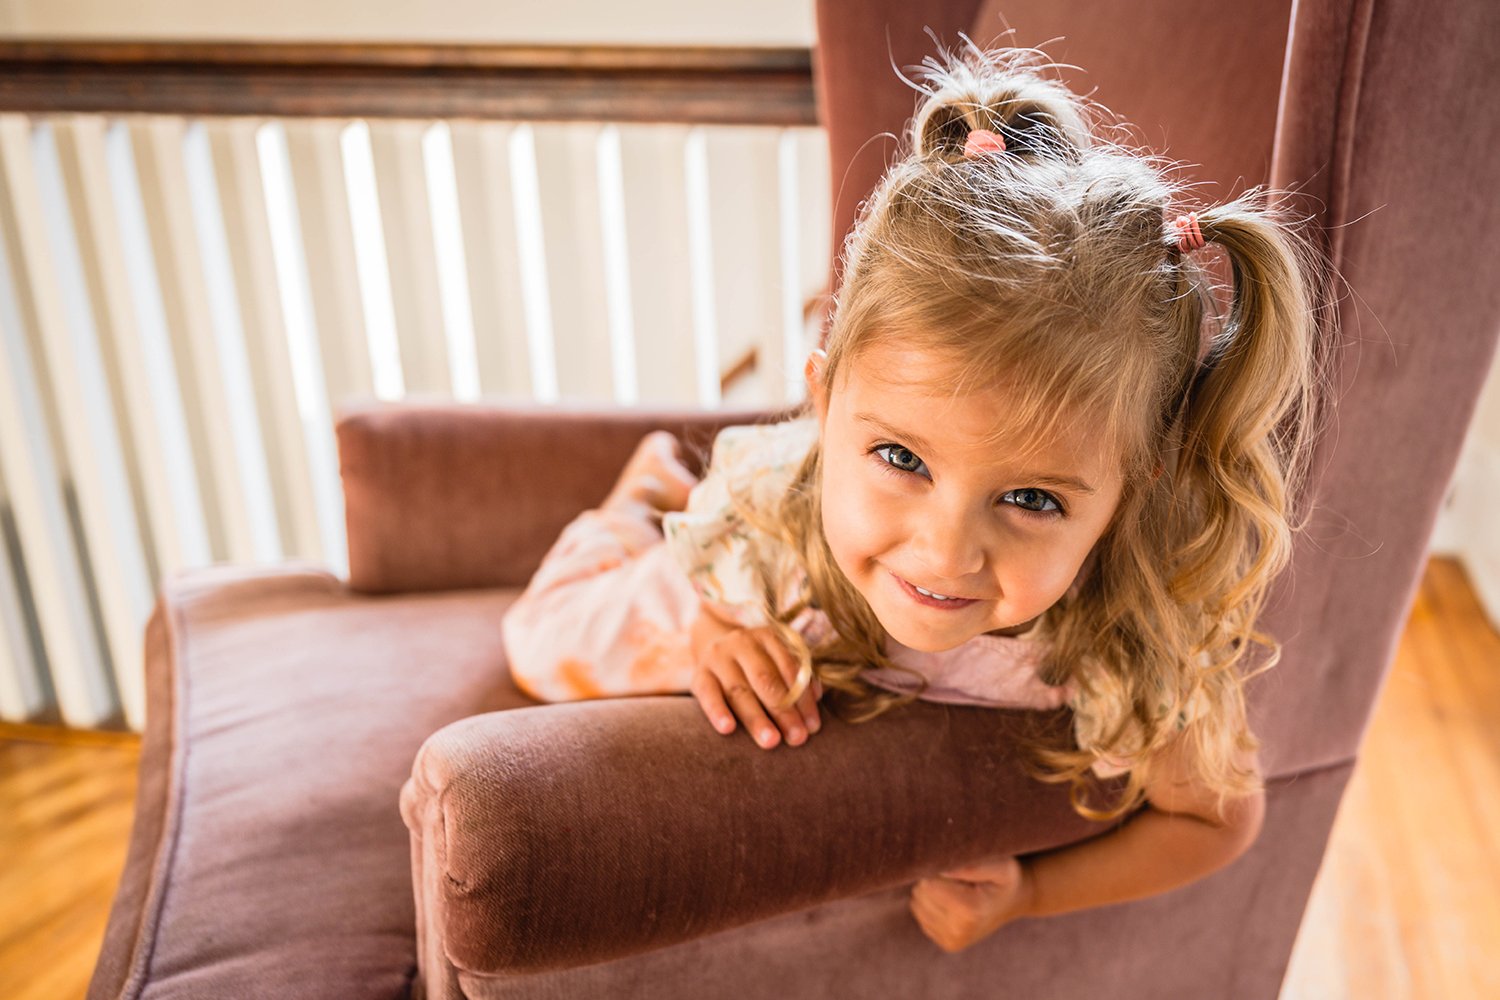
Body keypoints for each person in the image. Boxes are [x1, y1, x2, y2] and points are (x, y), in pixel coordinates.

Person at [500, 38, 1329, 953]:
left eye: (1034, 500)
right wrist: (717, 633)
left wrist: (1028, 894)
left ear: (1138, 485)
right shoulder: (774, 531)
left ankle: (676, 485)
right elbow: (712, 589)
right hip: (755, 538)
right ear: (823, 402)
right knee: (540, 644)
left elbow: (1217, 819)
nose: (943, 552)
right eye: (901, 456)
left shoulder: (1132, 643)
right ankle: (635, 503)